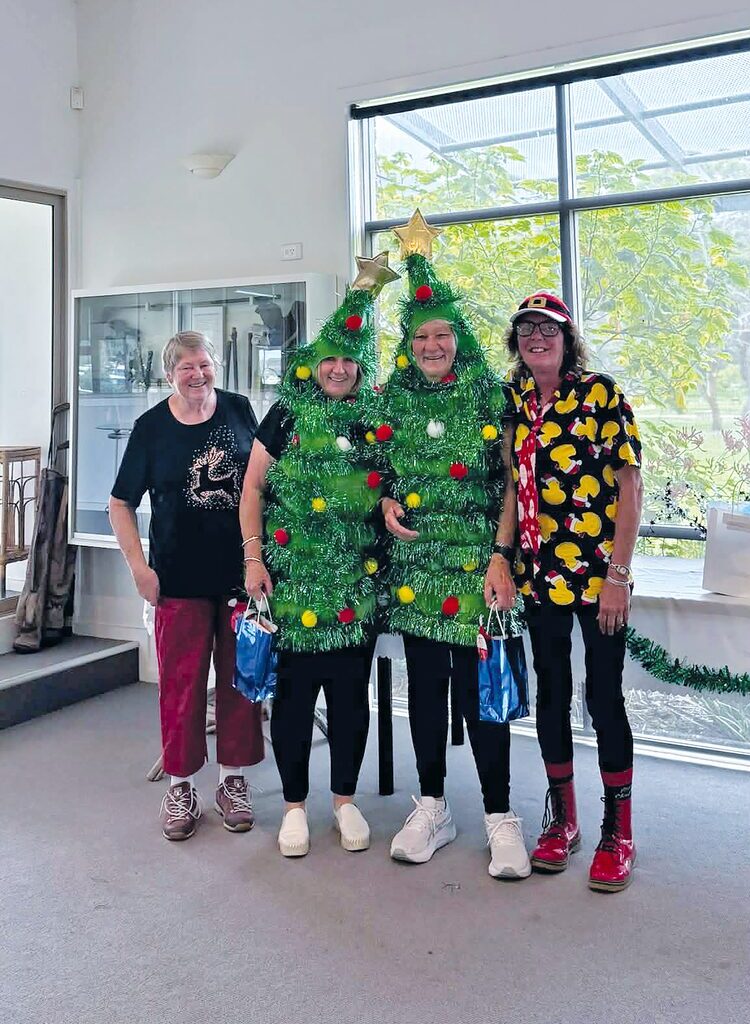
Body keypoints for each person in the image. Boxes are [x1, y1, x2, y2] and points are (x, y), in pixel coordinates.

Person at [380, 210, 530, 879]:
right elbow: (377, 471)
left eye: (442, 334)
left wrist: (502, 556)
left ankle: (501, 815)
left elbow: (510, 484)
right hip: (416, 568)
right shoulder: (393, 397)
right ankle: (433, 806)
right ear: (409, 344)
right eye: (422, 336)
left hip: (477, 569)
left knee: (481, 693)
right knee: (427, 691)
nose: (432, 344)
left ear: (458, 338)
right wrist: (383, 499)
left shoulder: (490, 394)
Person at [240, 253, 399, 857]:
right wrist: (255, 560)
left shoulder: (372, 418)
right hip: (294, 582)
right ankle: (294, 808)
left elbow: (390, 484)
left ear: (360, 367)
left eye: (347, 360)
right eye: (328, 358)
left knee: (350, 697)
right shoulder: (285, 414)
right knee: (296, 699)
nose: (337, 368)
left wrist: (386, 506)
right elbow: (252, 490)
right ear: (313, 364)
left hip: (354, 586)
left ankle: (345, 801)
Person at [504, 292, 643, 892]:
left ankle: (619, 830)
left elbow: (630, 484)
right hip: (539, 579)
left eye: (549, 329)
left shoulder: (599, 393)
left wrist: (618, 575)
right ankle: (563, 819)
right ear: (517, 342)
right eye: (527, 330)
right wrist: (504, 559)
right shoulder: (512, 403)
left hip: (596, 576)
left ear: (567, 337)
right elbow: (510, 484)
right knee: (552, 694)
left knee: (605, 697)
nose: (538, 338)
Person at [109, 331, 264, 841]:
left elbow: (265, 483)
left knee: (241, 683)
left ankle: (232, 781)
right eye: (186, 368)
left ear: (215, 365)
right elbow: (121, 503)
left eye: (204, 365)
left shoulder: (241, 411)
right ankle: (180, 787)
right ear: (169, 374)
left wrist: (262, 558)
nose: (197, 375)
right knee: (181, 686)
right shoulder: (152, 428)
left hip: (239, 576)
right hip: (176, 578)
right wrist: (138, 568)